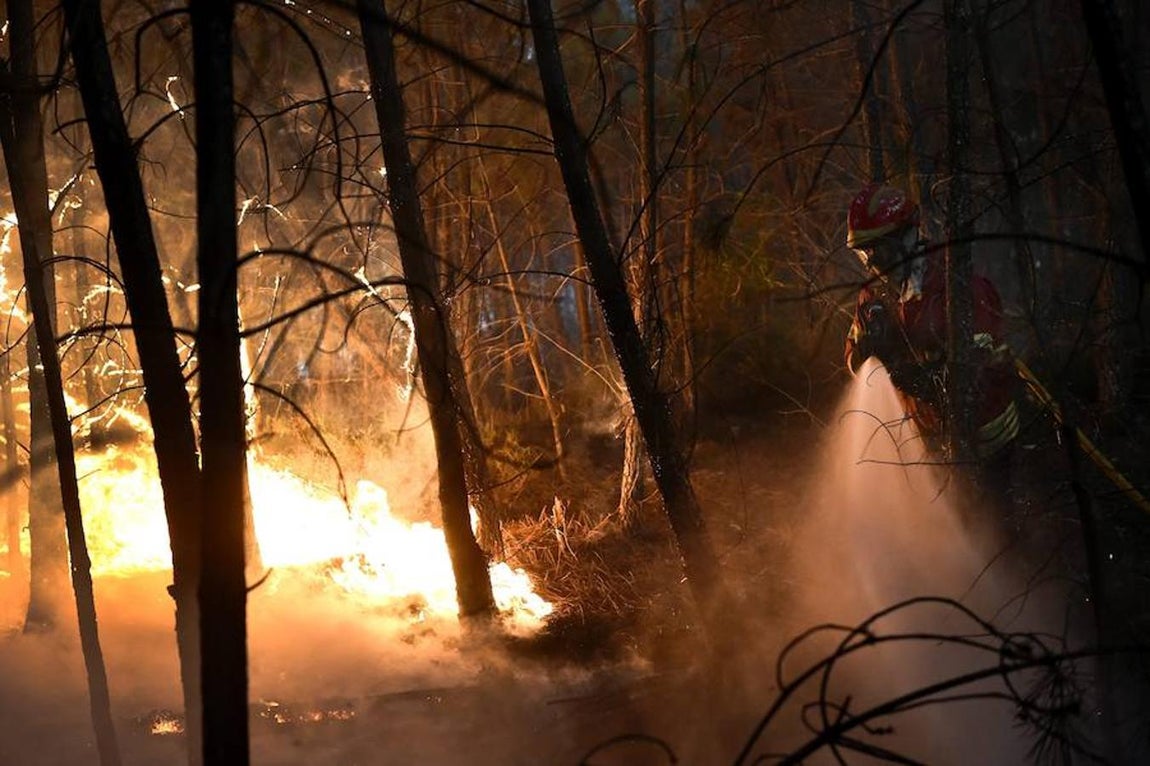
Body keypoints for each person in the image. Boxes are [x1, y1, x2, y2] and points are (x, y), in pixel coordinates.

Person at [842, 183, 1021, 504]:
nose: (870, 263)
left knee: (990, 527)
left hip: (983, 440)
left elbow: (977, 378)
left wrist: (910, 375)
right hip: (924, 442)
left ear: (905, 238)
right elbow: (853, 360)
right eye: (862, 253)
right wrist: (866, 353)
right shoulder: (873, 296)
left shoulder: (959, 285)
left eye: (877, 251)